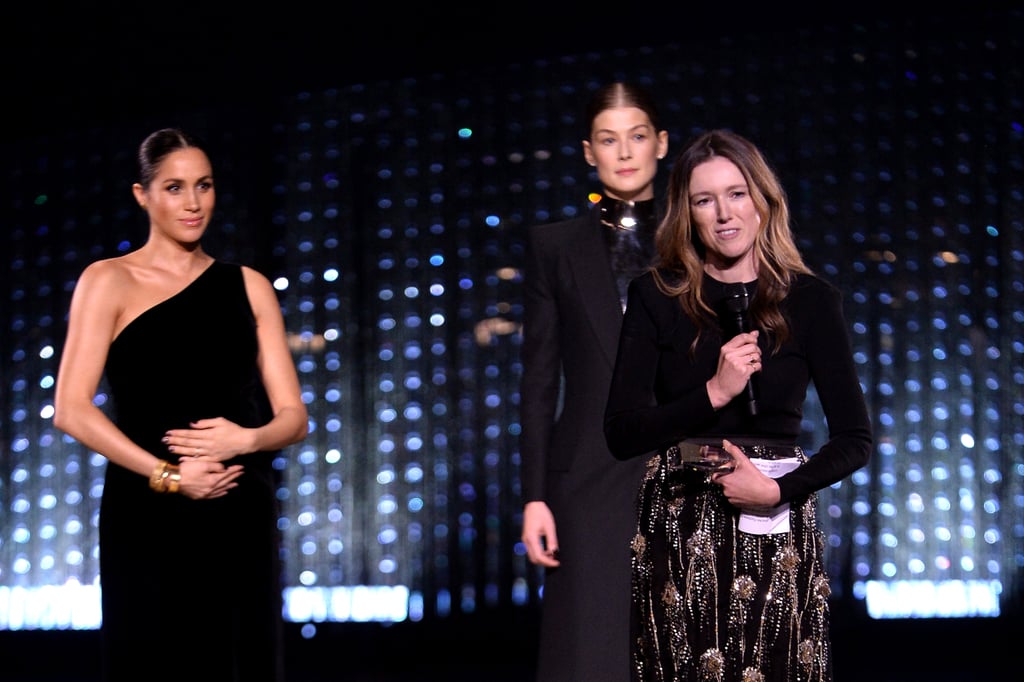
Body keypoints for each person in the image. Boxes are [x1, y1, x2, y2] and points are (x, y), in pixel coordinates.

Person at [604, 129, 872, 681]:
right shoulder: (657, 296)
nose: (724, 213)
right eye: (705, 200)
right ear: (687, 213)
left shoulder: (812, 301)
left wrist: (776, 490)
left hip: (776, 518)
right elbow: (622, 432)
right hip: (679, 520)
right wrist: (714, 393)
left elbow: (855, 440)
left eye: (737, 193)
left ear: (763, 201)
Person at [53, 128, 309, 682]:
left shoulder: (249, 285)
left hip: (239, 509)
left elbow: (294, 417)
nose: (193, 203)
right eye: (174, 187)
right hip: (149, 513)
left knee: (242, 660)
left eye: (204, 186)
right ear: (142, 195)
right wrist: (169, 476)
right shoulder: (109, 280)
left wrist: (247, 439)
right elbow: (71, 409)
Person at [519, 81, 670, 681]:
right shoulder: (554, 246)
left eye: (637, 137)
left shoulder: (696, 236)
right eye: (609, 140)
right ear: (589, 152)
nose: (625, 152)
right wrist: (534, 495)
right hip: (584, 476)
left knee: (679, 644)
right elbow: (537, 378)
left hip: (685, 467)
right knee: (590, 653)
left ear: (661, 144)